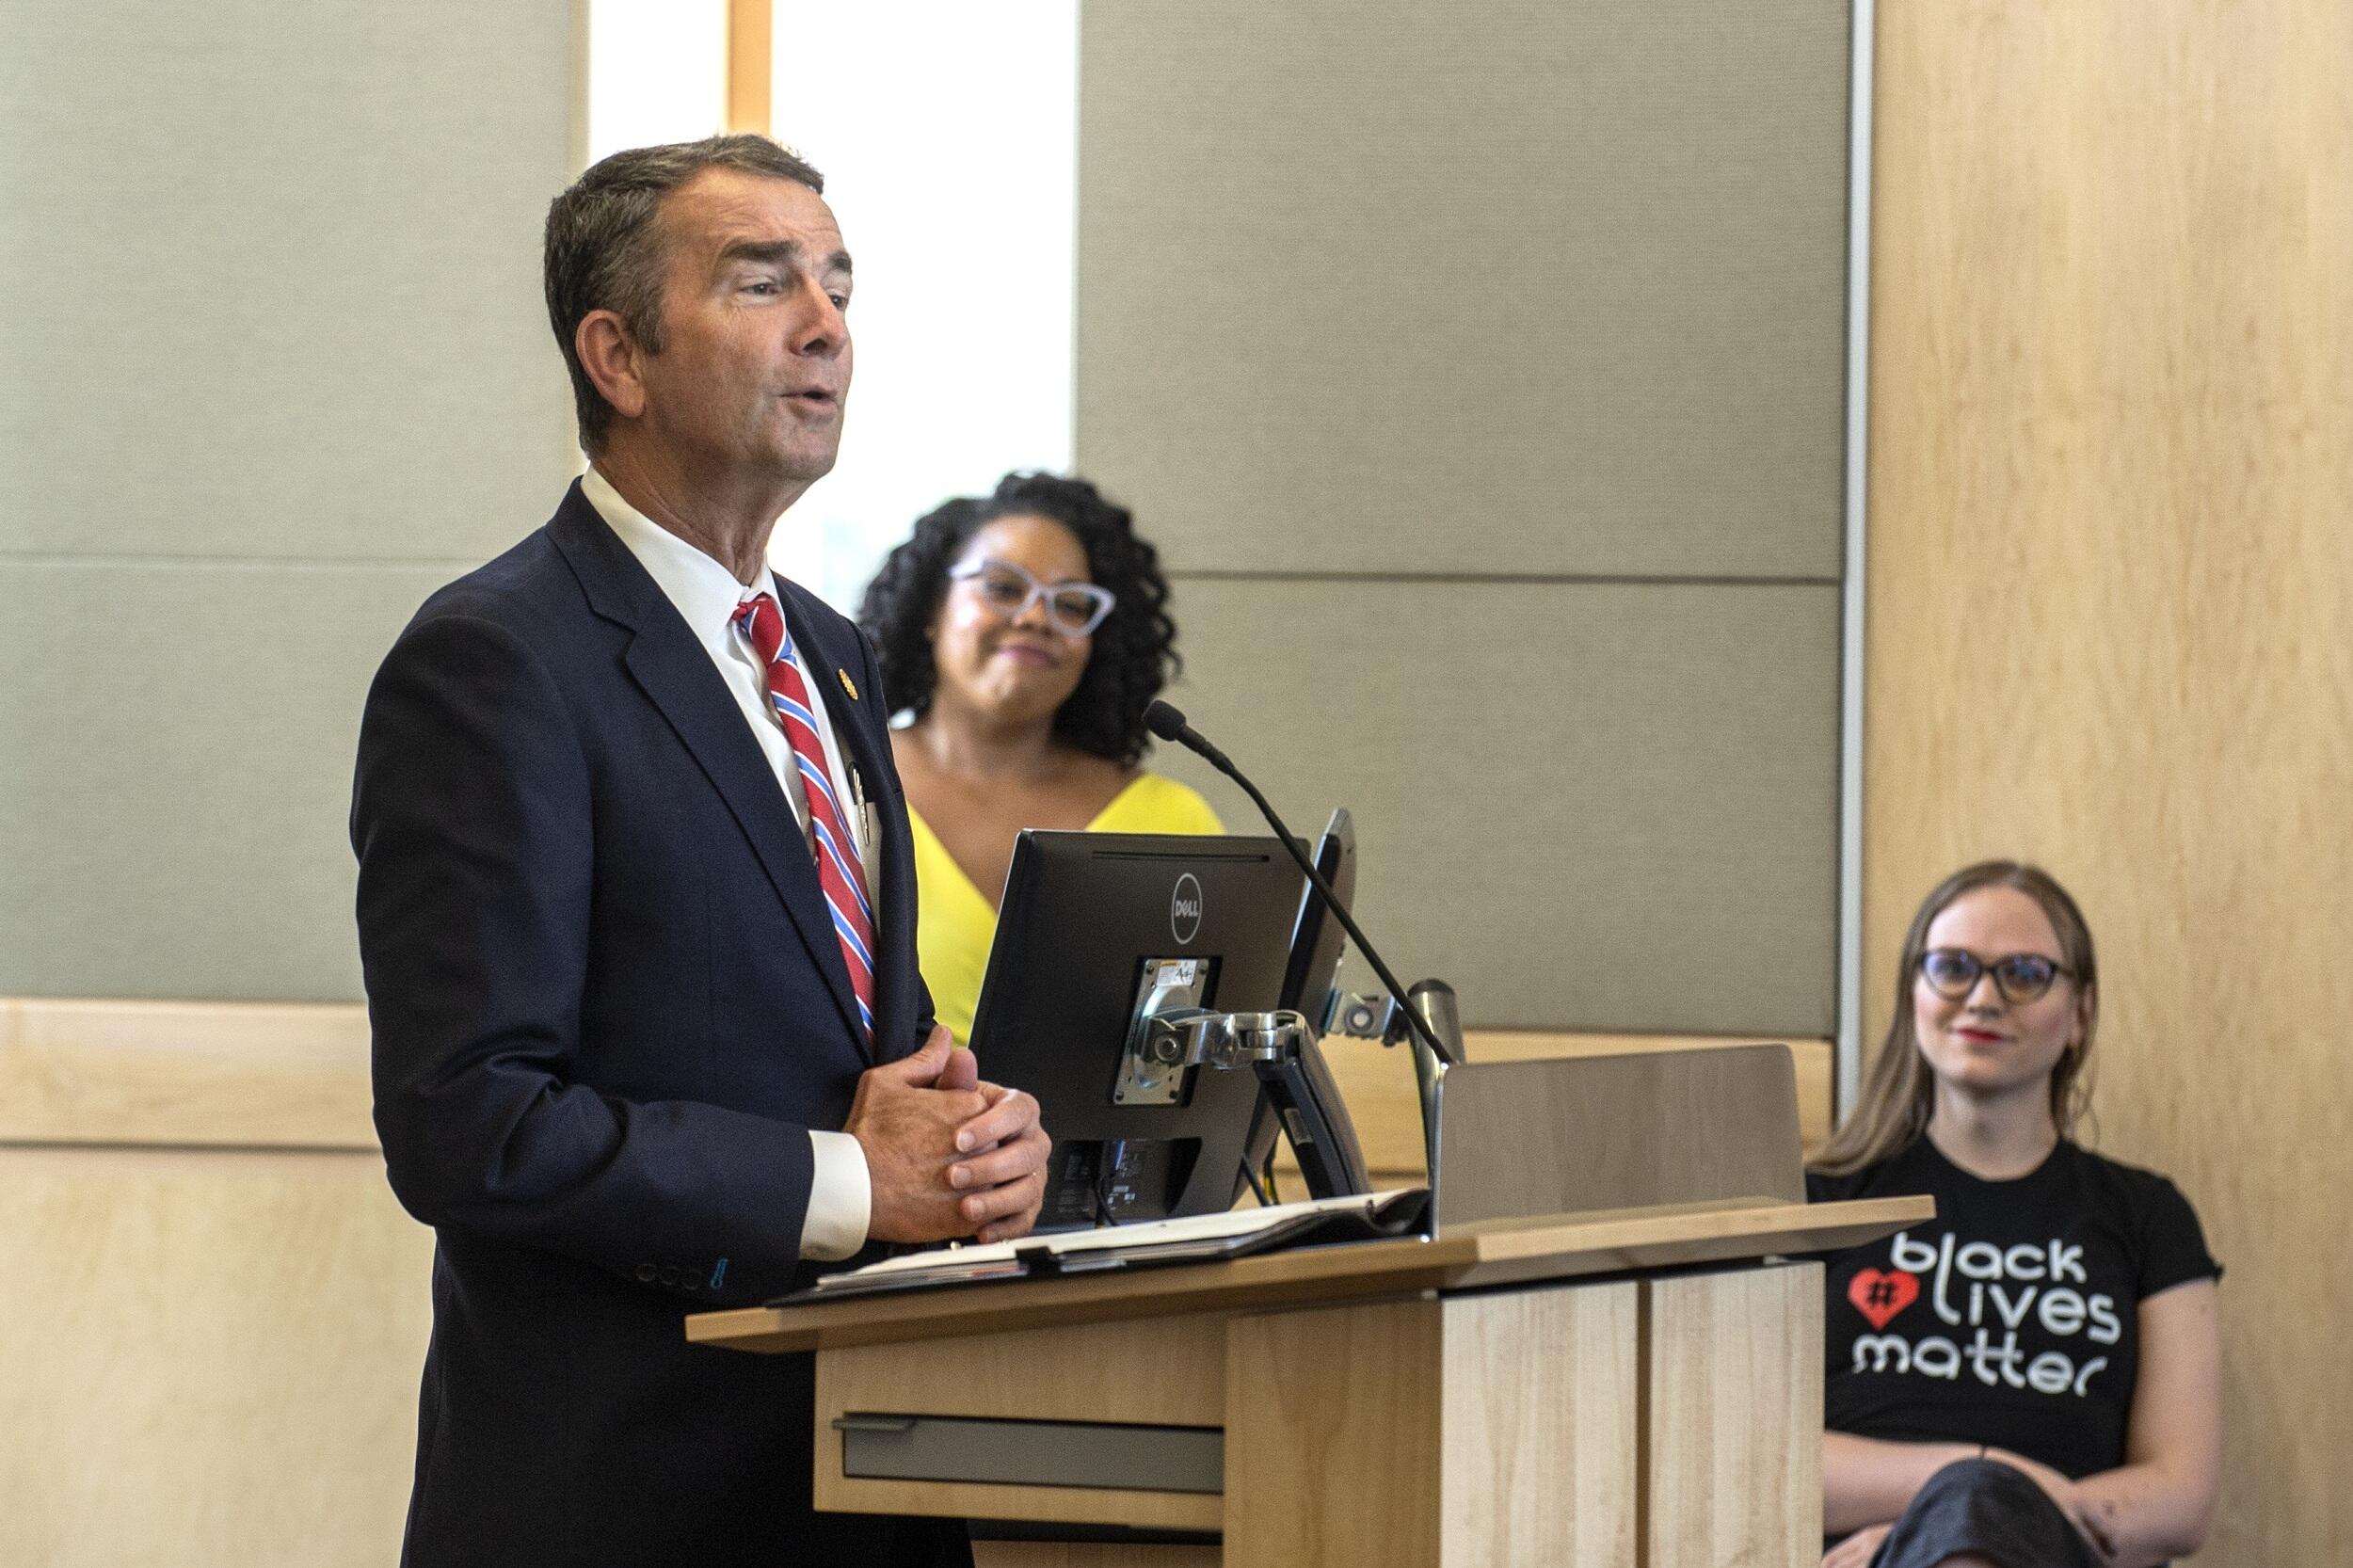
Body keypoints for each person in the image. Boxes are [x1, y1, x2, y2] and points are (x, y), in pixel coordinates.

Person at [350, 135, 1049, 1568]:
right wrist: (851, 1184)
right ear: (618, 355)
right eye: (762, 282)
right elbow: (470, 1120)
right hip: (621, 1497)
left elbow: (866, 1043)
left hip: (868, 1480)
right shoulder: (496, 661)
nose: (828, 327)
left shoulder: (837, 658)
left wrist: (975, 1144)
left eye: (841, 284)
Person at [1808, 862, 2221, 1568]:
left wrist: (1974, 1523)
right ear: (1914, 995)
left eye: (2024, 973)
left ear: (2081, 1013)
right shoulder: (1819, 1205)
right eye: (1953, 968)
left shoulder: (2149, 1216)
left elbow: (2180, 1499)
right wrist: (1986, 1479)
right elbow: (1763, 1459)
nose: (1982, 998)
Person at [856, 472, 1222, 1047]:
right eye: (1003, 587)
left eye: (1071, 604)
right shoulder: (843, 784)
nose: (1034, 617)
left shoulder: (1174, 822)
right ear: (932, 607)